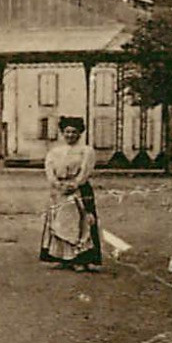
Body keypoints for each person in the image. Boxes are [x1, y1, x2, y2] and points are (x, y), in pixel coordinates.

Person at [39, 115, 102, 271]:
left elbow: (86, 171)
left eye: (74, 132)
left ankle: (80, 258)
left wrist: (75, 184)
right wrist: (58, 184)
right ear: (62, 133)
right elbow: (49, 170)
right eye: (67, 132)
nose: (70, 135)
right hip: (59, 190)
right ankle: (63, 257)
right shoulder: (54, 152)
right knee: (59, 222)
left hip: (78, 190)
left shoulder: (86, 151)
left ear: (80, 133)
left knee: (80, 223)